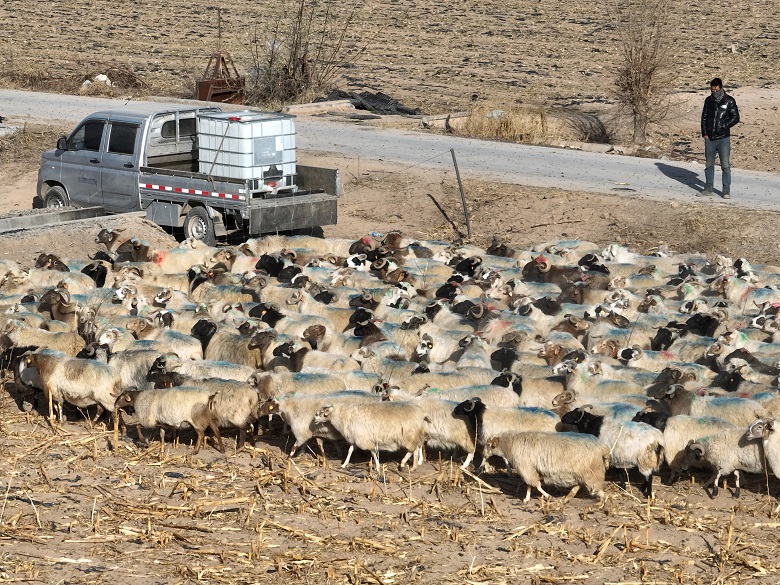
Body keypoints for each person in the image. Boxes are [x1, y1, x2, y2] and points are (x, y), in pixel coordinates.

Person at [698, 77, 740, 199]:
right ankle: (708, 188)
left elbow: (735, 117)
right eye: (713, 90)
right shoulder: (708, 101)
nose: (715, 92)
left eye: (717, 90)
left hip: (723, 138)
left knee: (725, 165)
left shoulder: (729, 101)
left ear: (721, 88)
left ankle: (726, 191)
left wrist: (724, 125)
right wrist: (705, 134)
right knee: (709, 164)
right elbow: (704, 118)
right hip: (710, 138)